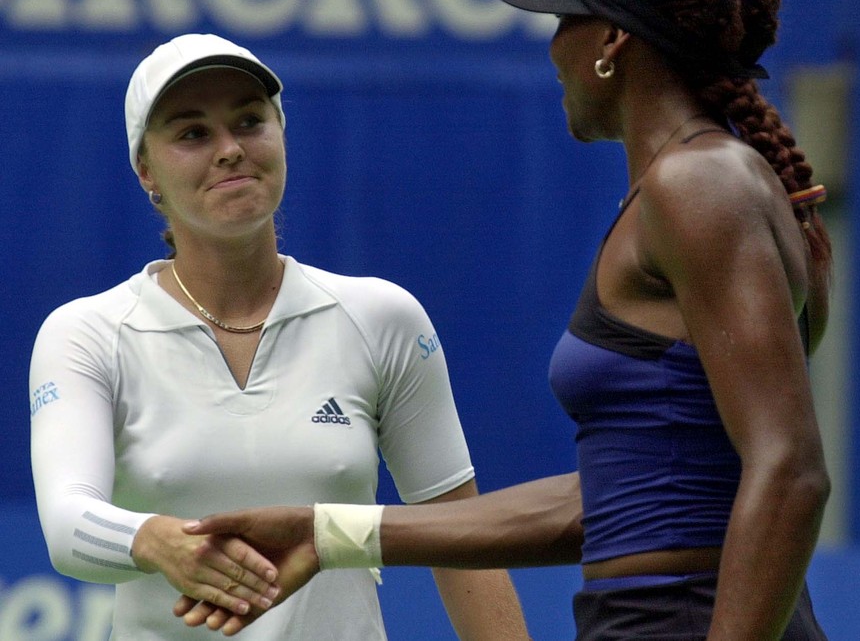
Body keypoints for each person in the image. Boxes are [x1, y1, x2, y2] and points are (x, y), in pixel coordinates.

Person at [171, 0, 834, 639]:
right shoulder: (697, 186)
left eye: (564, 20)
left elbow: (790, 471)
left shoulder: (700, 185)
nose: (552, 47)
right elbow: (602, 505)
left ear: (611, 40)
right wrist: (328, 535)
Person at [29, 32, 531, 640]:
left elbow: (462, 538)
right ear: (146, 173)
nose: (230, 150)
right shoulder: (86, 334)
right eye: (192, 133)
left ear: (281, 136)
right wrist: (158, 543)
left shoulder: (382, 317)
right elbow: (66, 524)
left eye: (249, 122)